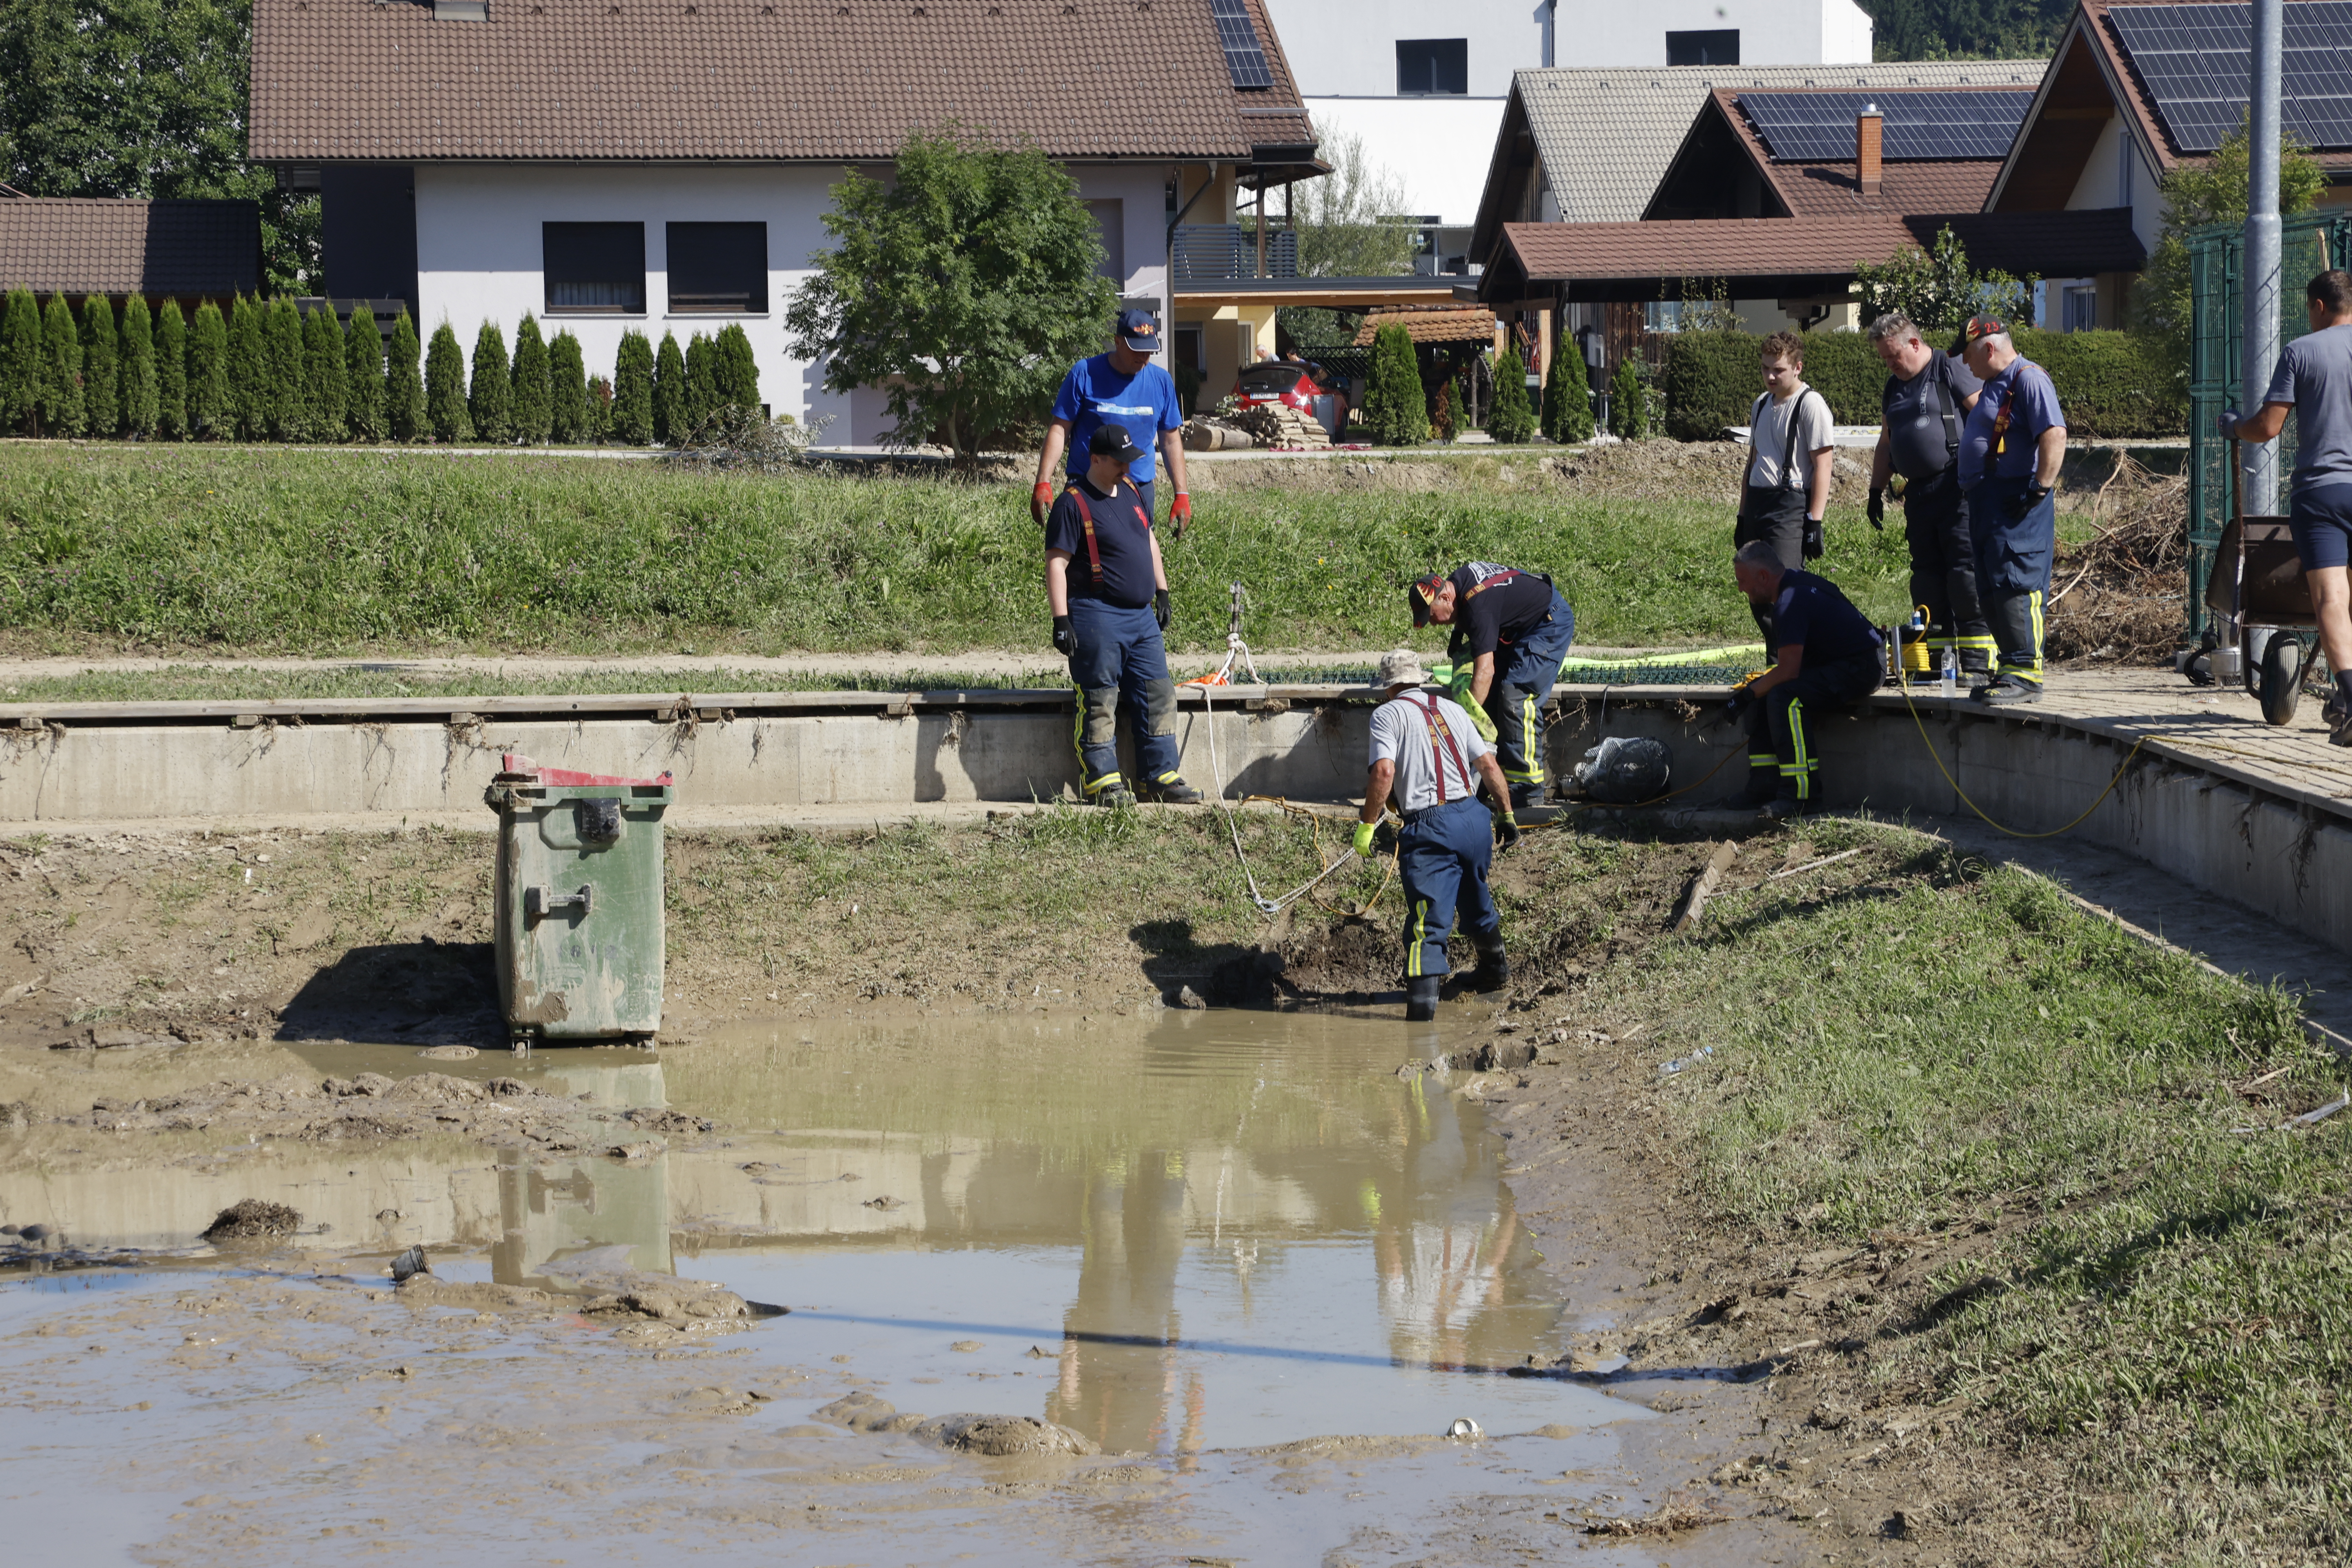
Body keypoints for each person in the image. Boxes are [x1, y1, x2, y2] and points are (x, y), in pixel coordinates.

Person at [1351, 649, 1523, 1021]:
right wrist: (1507, 814)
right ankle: (1495, 974)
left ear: (1388, 687)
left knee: (1425, 924)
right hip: (1475, 821)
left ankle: (1420, 1025)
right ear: (1420, 679)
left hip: (1431, 828)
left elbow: (1383, 773)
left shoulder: (1388, 715)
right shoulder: (1452, 709)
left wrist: (1368, 824)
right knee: (1474, 897)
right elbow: (1488, 765)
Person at [2225, 268, 2352, 747]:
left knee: (2330, 599)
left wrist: (2235, 426)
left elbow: (2268, 427)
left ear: (2319, 306)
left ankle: (2351, 699)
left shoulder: (2302, 351)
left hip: (2322, 492)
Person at [1043, 425, 1203, 807]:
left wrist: (1162, 590)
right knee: (1100, 696)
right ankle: (1102, 780)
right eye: (1118, 462)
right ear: (1095, 459)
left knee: (1159, 693)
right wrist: (1061, 619)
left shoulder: (1131, 491)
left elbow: (1149, 539)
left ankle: (1160, 775)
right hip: (1097, 614)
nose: (1126, 469)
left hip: (1142, 618)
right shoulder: (1073, 503)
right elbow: (1056, 563)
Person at [1866, 310, 1994, 683]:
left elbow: (1988, 417)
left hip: (1958, 489)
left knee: (1964, 578)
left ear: (1915, 343)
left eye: (1895, 356)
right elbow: (1886, 442)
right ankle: (1939, 665)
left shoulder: (1948, 368)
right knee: (1927, 583)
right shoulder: (1894, 386)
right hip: (1920, 496)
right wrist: (1876, 490)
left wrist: (1989, 473)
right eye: (1885, 359)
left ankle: (1976, 665)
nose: (1891, 365)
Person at [1729, 542, 1885, 819]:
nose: (1741, 589)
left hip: (1862, 667)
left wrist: (1746, 696)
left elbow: (1788, 672)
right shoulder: (1793, 587)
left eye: (1743, 581)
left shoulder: (1791, 602)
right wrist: (1753, 693)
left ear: (1763, 577)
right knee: (1764, 690)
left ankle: (1801, 796)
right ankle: (1764, 786)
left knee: (1783, 695)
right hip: (1840, 663)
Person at [1956, 314, 2067, 704]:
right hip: (1988, 500)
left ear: (1989, 348)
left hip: (2015, 500)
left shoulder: (2029, 379)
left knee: (2015, 583)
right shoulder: (1993, 383)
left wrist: (2039, 488)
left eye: (1968, 355)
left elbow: (2054, 434)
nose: (1965, 364)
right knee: (1990, 585)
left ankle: (2026, 674)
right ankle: (2009, 668)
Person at [1406, 563, 1577, 808]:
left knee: (1516, 696)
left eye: (1432, 615)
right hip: (1520, 629)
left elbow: (1485, 670)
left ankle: (1528, 789)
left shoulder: (1478, 607)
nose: (1433, 623)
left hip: (1548, 625)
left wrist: (1464, 723)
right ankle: (1498, 778)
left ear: (1445, 597)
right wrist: (1458, 638)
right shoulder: (1458, 582)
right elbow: (1473, 609)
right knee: (1496, 692)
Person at [1034, 308, 1193, 539]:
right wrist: (1043, 482)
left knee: (1136, 559)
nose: (1144, 356)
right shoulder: (1085, 373)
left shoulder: (1161, 382)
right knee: (1084, 556)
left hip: (1138, 487)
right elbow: (1060, 430)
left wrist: (1182, 494)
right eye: (1136, 349)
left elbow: (1170, 440)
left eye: (1149, 350)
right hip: (1088, 485)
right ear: (1117, 342)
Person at [1735, 330, 1836, 639]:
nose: (1770, 376)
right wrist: (1742, 515)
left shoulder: (1810, 404)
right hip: (1758, 502)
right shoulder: (1762, 404)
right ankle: (1776, 657)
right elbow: (1752, 461)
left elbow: (1823, 464)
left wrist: (1814, 521)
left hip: (1789, 506)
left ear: (1797, 368)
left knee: (1784, 587)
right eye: (1766, 368)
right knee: (1755, 586)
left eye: (1778, 369)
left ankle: (1794, 659)